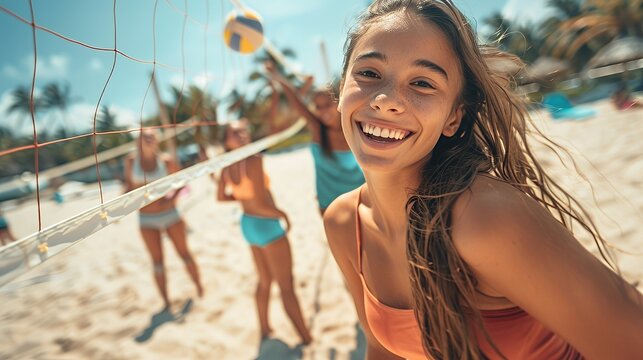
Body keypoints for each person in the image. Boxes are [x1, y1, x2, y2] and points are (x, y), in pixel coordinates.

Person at [323, 1, 643, 359]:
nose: (386, 100)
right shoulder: (343, 223)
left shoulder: (483, 218)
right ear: (340, 90)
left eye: (423, 83)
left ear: (453, 118)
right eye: (368, 73)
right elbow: (383, 350)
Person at [217, 120, 312, 345]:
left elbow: (221, 197)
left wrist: (242, 199)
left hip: (248, 224)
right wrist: (282, 214)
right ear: (226, 141)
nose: (242, 134)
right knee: (286, 286)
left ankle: (264, 328)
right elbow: (260, 203)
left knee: (264, 281)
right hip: (266, 224)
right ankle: (306, 338)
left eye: (243, 130)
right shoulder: (253, 159)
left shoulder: (226, 165)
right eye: (235, 132)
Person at [266, 63, 365, 214]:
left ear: (339, 102)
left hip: (360, 199)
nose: (323, 111)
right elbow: (296, 101)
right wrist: (279, 77)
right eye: (318, 106)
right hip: (328, 203)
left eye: (327, 104)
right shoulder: (318, 131)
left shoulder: (355, 129)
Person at [124, 128, 203, 309]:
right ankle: (166, 301)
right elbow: (129, 187)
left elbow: (182, 183)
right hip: (146, 218)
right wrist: (117, 208)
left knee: (185, 254)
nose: (149, 139)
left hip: (170, 215)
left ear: (157, 140)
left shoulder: (165, 160)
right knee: (157, 262)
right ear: (139, 140)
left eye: (152, 136)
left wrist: (172, 200)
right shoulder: (131, 161)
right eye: (145, 137)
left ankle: (199, 287)